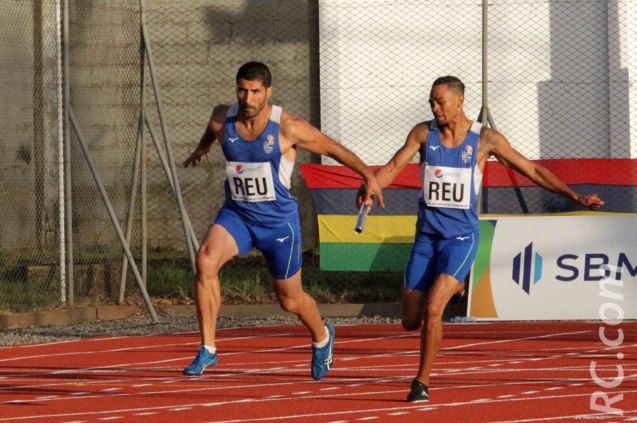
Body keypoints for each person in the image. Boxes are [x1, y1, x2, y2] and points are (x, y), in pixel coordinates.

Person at [358, 76, 603, 402]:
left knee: (434, 308)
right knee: (409, 320)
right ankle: (457, 283)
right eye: (431, 101)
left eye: (440, 102)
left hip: (460, 238)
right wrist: (372, 185)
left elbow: (532, 170)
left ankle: (421, 382)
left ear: (459, 101)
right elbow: (392, 166)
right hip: (426, 238)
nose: (434, 107)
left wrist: (576, 196)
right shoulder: (423, 133)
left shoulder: (485, 139)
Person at [182, 61, 384, 380]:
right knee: (205, 262)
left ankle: (322, 335)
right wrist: (203, 146)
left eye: (255, 92)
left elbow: (332, 148)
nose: (247, 98)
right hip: (237, 215)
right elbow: (213, 128)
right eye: (242, 90)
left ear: (268, 92)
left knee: (290, 301)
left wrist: (368, 176)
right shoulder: (223, 117)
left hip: (277, 224)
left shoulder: (288, 126)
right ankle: (208, 349)